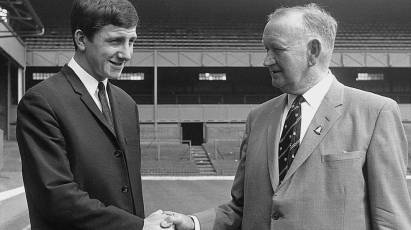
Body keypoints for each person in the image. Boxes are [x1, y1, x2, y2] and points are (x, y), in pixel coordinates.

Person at [162, 3, 411, 230]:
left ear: (313, 51)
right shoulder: (258, 118)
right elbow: (242, 208)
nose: (265, 60)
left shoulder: (375, 112)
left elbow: (391, 220)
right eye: (265, 49)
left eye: (277, 50)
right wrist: (193, 223)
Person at [16, 0, 170, 229]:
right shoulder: (41, 102)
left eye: (132, 41)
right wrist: (138, 227)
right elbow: (56, 197)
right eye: (115, 41)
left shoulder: (126, 104)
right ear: (81, 39)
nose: (127, 54)